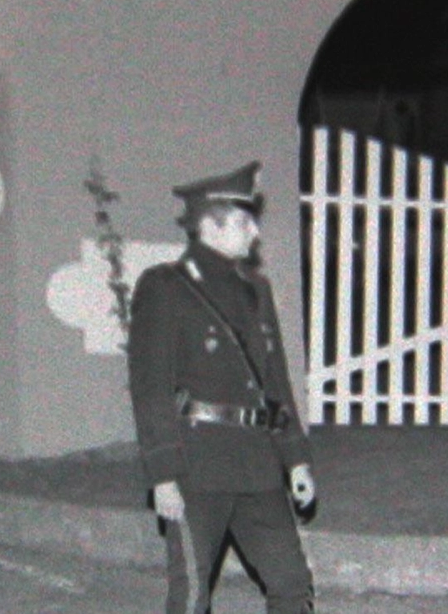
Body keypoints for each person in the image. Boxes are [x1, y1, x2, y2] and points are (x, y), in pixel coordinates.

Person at [127, 161, 317, 614]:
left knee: (292, 582)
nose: (254, 232)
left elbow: (275, 381)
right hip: (198, 466)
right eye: (244, 222)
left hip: (257, 463)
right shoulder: (165, 287)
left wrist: (296, 460)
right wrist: (163, 474)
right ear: (210, 225)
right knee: (193, 594)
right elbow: (150, 385)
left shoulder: (256, 289)